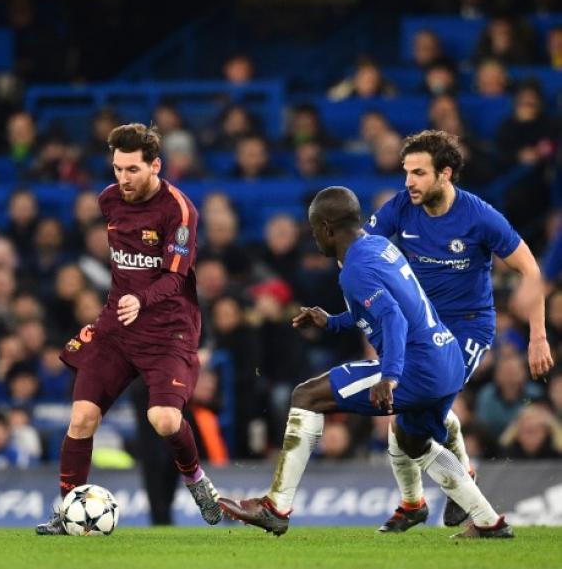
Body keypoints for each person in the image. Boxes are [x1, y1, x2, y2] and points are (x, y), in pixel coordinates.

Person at [218, 186, 513, 539]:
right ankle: (489, 522)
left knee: (306, 395)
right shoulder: (378, 247)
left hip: (417, 366)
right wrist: (332, 321)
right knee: (412, 441)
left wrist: (389, 376)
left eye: (314, 231)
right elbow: (386, 309)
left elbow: (393, 318)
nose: (314, 240)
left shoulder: (355, 268)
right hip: (445, 358)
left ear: (327, 228)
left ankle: (276, 506)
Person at [36, 123, 221, 535]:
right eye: (117, 169)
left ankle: (196, 480)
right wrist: (123, 304)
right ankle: (69, 510)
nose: (123, 179)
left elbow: (176, 277)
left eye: (132, 170)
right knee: (82, 417)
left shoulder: (180, 210)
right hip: (118, 326)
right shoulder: (108, 201)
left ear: (156, 165)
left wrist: (141, 299)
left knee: (164, 420)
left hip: (169, 329)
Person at [364, 130, 554, 531]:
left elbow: (531, 269)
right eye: (406, 172)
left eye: (418, 173)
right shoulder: (400, 208)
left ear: (445, 174)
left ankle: (471, 509)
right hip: (421, 327)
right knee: (405, 419)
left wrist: (537, 335)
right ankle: (441, 488)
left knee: (410, 423)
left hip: (468, 329)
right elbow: (362, 252)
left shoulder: (479, 216)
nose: (409, 182)